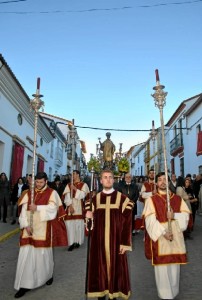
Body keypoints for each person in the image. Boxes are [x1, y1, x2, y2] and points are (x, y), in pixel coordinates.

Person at [14, 172, 67, 298]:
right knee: (25, 257)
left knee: (43, 257)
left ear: (46, 181)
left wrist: (37, 207)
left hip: (43, 230)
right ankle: (24, 285)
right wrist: (25, 225)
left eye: (41, 182)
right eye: (36, 182)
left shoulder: (52, 193)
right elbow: (22, 212)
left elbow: (53, 211)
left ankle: (47, 276)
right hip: (28, 230)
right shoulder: (27, 193)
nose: (38, 184)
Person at [85, 169, 134, 300]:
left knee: (116, 269)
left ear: (114, 180)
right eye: (105, 177)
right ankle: (101, 293)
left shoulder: (123, 199)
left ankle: (114, 294)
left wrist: (125, 242)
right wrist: (89, 217)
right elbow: (89, 228)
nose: (107, 179)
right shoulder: (94, 199)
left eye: (110, 177)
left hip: (116, 241)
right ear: (100, 181)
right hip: (98, 242)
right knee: (99, 268)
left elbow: (128, 222)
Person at [142, 172, 191, 300]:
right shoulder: (151, 200)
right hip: (160, 241)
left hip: (176, 241)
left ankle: (173, 294)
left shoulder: (177, 199)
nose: (163, 182)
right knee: (162, 273)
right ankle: (165, 296)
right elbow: (150, 221)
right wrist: (163, 233)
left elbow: (186, 218)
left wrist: (174, 216)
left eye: (165, 179)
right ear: (156, 183)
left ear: (169, 182)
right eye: (160, 180)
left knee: (174, 271)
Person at [63, 170, 90, 251]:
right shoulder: (68, 185)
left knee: (78, 225)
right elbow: (66, 196)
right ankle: (71, 243)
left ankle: (78, 241)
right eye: (72, 174)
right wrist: (70, 206)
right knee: (70, 225)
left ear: (78, 175)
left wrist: (75, 189)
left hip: (79, 207)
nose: (72, 176)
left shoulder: (84, 185)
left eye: (74, 174)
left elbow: (82, 195)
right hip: (70, 206)